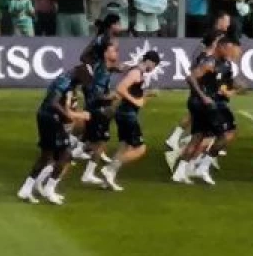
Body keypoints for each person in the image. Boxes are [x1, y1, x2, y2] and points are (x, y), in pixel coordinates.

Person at [172, 34, 241, 186]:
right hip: (206, 104)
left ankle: (179, 172)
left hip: (206, 103)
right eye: (229, 49)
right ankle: (203, 167)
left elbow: (225, 84)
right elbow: (190, 78)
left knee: (198, 137)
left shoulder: (225, 64)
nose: (231, 53)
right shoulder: (210, 62)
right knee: (225, 134)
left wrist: (235, 87)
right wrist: (203, 96)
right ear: (221, 47)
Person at [18, 62, 88, 205]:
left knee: (47, 155)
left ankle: (26, 188)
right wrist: (69, 117)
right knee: (65, 154)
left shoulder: (68, 80)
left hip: (46, 116)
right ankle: (49, 189)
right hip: (51, 119)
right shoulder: (65, 81)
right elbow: (53, 102)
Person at [95, 49, 161, 192]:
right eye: (154, 65)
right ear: (150, 61)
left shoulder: (137, 72)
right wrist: (135, 101)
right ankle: (109, 169)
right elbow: (121, 88)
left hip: (124, 113)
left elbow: (132, 91)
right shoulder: (136, 73)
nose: (153, 69)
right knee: (140, 149)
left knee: (125, 146)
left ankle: (108, 179)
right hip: (127, 114)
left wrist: (148, 94)